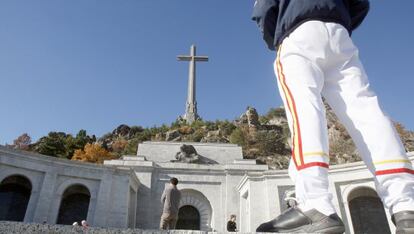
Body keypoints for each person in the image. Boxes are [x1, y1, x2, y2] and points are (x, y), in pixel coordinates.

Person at [251, 0, 414, 233]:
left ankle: (315, 204)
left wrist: (276, 37)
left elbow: (264, 8)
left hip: (298, 32)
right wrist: (338, 21)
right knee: (367, 110)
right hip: (339, 33)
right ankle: (406, 204)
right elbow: (361, 4)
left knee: (304, 109)